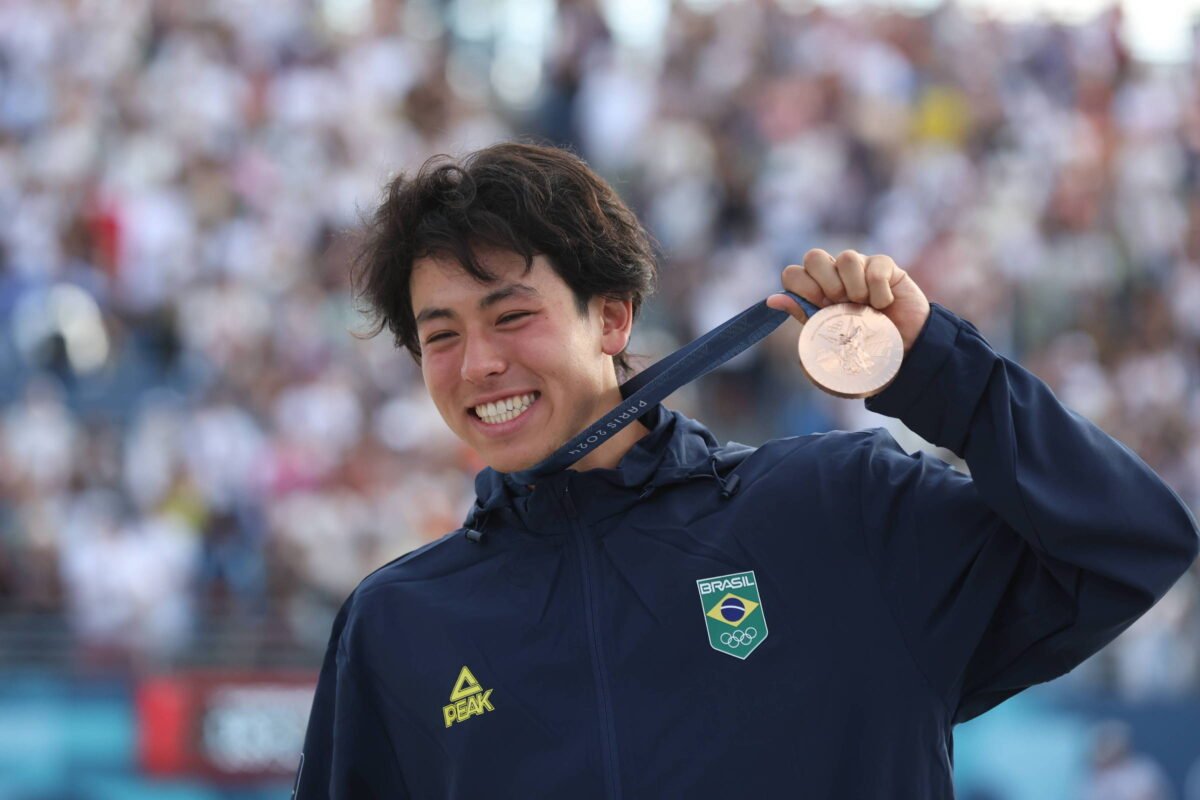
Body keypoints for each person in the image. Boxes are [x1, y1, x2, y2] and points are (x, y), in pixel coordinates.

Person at [293, 142, 1199, 799]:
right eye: (440, 336)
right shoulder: (399, 625)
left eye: (511, 315)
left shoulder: (841, 516)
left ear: (612, 319)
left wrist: (937, 369)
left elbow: (1129, 544)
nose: (478, 363)